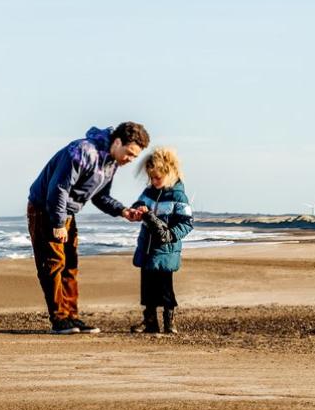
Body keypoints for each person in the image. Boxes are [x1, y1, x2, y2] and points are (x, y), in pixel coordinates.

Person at [27, 123, 150, 335]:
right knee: (54, 264)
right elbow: (59, 188)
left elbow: (100, 197)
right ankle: (59, 320)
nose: (129, 160)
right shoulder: (82, 151)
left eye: (134, 157)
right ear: (118, 142)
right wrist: (57, 224)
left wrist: (123, 211)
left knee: (70, 265)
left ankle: (71, 317)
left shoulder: (110, 164)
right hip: (45, 209)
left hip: (67, 213)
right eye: (129, 154)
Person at [127, 147, 194, 335]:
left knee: (165, 288)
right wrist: (136, 210)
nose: (153, 181)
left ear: (169, 173)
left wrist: (171, 235)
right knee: (147, 287)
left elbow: (187, 223)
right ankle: (150, 321)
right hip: (146, 248)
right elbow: (138, 204)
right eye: (151, 178)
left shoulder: (177, 196)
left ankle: (169, 321)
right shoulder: (149, 192)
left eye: (157, 178)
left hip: (166, 250)